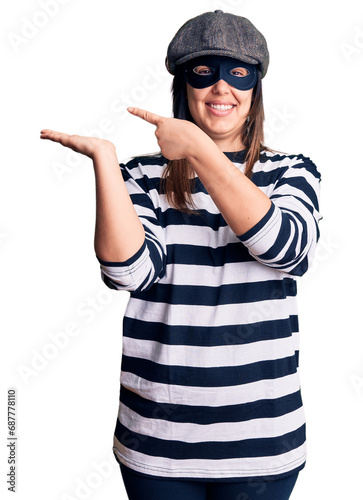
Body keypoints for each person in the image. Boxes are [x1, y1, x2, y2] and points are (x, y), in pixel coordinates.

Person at [40, 10, 322, 500]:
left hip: (261, 442)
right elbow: (128, 271)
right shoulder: (141, 177)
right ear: (183, 86)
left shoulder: (291, 171)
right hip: (158, 440)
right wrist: (107, 163)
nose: (220, 88)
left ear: (255, 87)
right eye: (203, 72)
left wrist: (197, 149)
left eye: (237, 73)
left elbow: (287, 249)